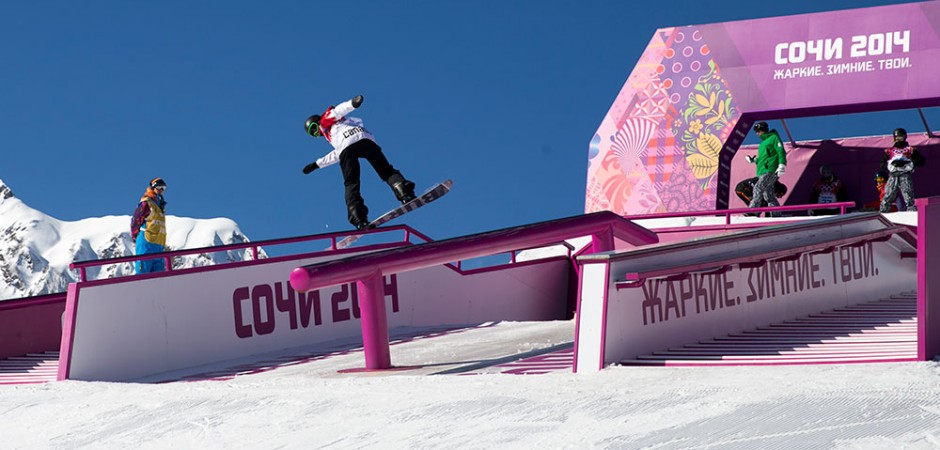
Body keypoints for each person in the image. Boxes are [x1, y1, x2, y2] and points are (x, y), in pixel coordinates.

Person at [302, 95, 417, 230]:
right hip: (364, 138)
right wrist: (318, 164)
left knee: (351, 182)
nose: (317, 133)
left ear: (318, 121)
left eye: (314, 128)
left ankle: (357, 216)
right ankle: (402, 190)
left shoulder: (325, 120)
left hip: (349, 145)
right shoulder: (336, 131)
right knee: (385, 169)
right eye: (313, 134)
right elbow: (338, 152)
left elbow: (338, 110)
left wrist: (352, 104)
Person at [745, 121, 787, 216]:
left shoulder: (774, 138)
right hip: (763, 171)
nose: (757, 134)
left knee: (758, 187)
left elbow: (781, 151)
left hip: (771, 170)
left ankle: (753, 210)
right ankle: (776, 213)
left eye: (758, 131)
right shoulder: (763, 144)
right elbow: (763, 159)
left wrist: (782, 165)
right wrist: (754, 160)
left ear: (762, 130)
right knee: (768, 193)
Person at [879, 127, 925, 212]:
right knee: (888, 195)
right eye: (897, 137)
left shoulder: (909, 150)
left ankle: (911, 212)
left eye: (901, 137)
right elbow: (882, 163)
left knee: (908, 194)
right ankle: (883, 213)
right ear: (894, 138)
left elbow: (921, 161)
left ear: (905, 137)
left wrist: (906, 163)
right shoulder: (890, 151)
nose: (899, 139)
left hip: (905, 174)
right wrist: (891, 164)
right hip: (893, 175)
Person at [130, 177, 168, 274]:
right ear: (153, 187)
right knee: (143, 273)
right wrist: (135, 236)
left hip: (158, 245)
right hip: (146, 243)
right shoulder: (147, 203)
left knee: (160, 277)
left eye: (163, 188)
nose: (161, 190)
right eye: (159, 187)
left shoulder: (160, 205)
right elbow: (135, 220)